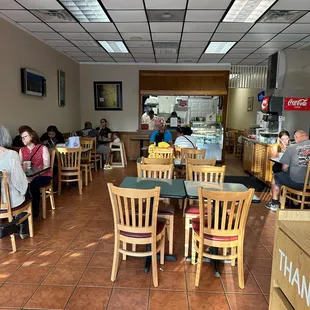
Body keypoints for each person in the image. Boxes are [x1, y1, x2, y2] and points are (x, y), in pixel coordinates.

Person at [266, 130, 310, 211]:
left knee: (276, 177)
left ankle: (274, 203)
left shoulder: (292, 148)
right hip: (308, 184)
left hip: (296, 182)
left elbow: (284, 168)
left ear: (296, 138)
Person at [19, 125, 51, 218]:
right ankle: (22, 212)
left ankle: (34, 212)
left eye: (25, 137)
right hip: (27, 176)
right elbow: (20, 166)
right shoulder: (22, 150)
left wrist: (33, 176)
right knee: (20, 185)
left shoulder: (42, 148)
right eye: (22, 138)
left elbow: (47, 166)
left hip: (44, 175)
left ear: (32, 136)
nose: (23, 139)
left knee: (33, 184)